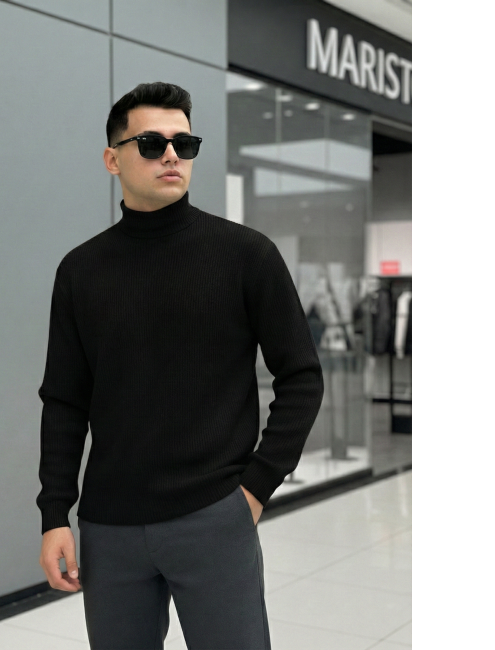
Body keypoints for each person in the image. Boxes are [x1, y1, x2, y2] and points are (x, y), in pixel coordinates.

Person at [36, 81, 324, 649]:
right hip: (109, 526)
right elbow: (65, 400)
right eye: (151, 143)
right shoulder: (81, 271)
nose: (171, 155)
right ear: (112, 159)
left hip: (214, 515)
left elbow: (301, 376)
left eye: (184, 144)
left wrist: (255, 488)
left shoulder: (247, 255)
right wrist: (54, 514)